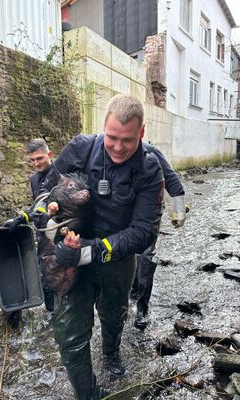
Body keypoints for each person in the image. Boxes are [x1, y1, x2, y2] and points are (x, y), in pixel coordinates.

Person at [40, 94, 168, 400]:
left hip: (117, 258)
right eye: (111, 137)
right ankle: (88, 394)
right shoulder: (80, 149)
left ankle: (111, 353)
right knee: (68, 334)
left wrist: (88, 251)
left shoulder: (150, 170)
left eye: (127, 139)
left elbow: (143, 233)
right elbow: (47, 192)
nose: (118, 147)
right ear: (103, 128)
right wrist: (38, 217)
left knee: (114, 314)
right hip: (68, 256)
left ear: (141, 133)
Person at [130, 143, 186, 330]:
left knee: (145, 257)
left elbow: (171, 180)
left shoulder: (151, 153)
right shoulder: (110, 152)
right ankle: (131, 291)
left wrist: (179, 210)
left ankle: (142, 308)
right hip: (123, 213)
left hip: (149, 214)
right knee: (124, 253)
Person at [25, 138, 56, 312]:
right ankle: (51, 313)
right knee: (44, 273)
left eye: (40, 158)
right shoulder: (34, 180)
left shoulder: (59, 172)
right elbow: (37, 204)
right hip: (42, 232)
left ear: (49, 155)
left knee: (59, 273)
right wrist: (24, 217)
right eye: (32, 160)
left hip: (59, 231)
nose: (36, 163)